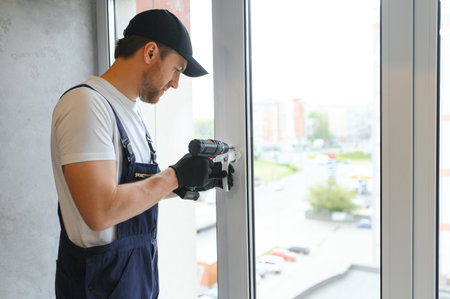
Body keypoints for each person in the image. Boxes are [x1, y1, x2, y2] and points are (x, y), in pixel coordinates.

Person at [51, 9, 222, 299]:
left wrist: (184, 183)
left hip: (134, 276)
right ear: (151, 52)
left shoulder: (130, 111)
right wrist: (173, 177)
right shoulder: (87, 105)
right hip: (99, 283)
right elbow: (100, 211)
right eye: (177, 69)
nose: (176, 83)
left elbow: (128, 191)